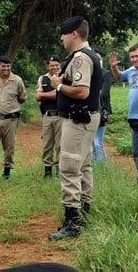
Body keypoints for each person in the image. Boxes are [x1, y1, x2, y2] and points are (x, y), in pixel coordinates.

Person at [48, 16, 101, 240]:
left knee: (69, 167)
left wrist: (58, 85)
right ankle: (84, 210)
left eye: (63, 34)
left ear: (74, 34)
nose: (61, 38)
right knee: (84, 165)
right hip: (87, 118)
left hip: (78, 120)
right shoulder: (88, 56)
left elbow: (81, 91)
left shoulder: (80, 58)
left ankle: (72, 221)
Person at [109, 44, 138, 185]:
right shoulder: (131, 70)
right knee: (137, 153)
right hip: (133, 116)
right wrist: (113, 67)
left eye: (137, 56)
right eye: (132, 57)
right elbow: (119, 77)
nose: (135, 59)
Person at [35, 55, 62, 177]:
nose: (55, 67)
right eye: (52, 65)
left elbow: (59, 95)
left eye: (57, 65)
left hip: (61, 115)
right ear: (48, 66)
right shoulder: (43, 79)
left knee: (60, 145)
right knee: (47, 144)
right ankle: (47, 170)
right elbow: (37, 97)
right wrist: (52, 93)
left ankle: (59, 169)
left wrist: (44, 95)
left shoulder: (63, 77)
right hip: (47, 115)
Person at [92, 49, 113, 163]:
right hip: (91, 110)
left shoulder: (106, 74)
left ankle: (102, 167)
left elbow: (103, 93)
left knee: (97, 142)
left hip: (102, 111)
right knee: (90, 142)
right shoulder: (89, 74)